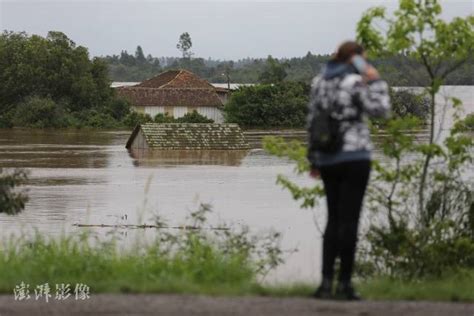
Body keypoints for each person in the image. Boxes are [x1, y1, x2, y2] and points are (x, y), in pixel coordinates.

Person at [307, 41, 390, 300]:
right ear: (355, 59)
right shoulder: (355, 82)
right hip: (355, 157)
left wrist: (314, 159)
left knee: (333, 219)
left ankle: (324, 284)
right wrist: (375, 81)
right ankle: (345, 285)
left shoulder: (318, 82)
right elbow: (381, 110)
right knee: (350, 220)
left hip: (328, 158)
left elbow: (312, 121)